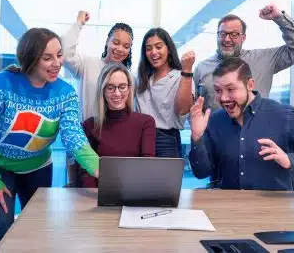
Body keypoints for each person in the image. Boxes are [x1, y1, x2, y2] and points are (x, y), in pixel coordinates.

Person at [0, 27, 100, 252]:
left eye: (59, 55)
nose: (57, 63)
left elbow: (72, 134)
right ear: (30, 58)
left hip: (37, 166)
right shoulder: (2, 84)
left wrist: (100, 168)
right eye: (47, 58)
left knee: (38, 227)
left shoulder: (65, 92)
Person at [189, 58, 294, 190]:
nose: (223, 98)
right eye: (218, 90)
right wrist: (197, 137)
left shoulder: (283, 115)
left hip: (274, 212)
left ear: (250, 85)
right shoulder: (216, 120)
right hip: (229, 210)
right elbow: (201, 172)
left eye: (230, 89)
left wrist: (290, 159)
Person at [194, 3, 294, 112]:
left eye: (234, 34)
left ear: (243, 38)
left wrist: (279, 18)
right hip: (216, 134)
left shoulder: (264, 59)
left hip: (257, 133)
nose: (227, 39)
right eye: (222, 34)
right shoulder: (201, 69)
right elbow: (193, 108)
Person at [79, 62, 156, 187]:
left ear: (129, 88)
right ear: (102, 90)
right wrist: (95, 198)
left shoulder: (146, 123)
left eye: (122, 87)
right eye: (110, 88)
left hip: (135, 191)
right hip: (101, 193)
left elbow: (147, 166)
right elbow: (86, 172)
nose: (117, 93)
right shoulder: (90, 125)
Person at [63, 10, 134, 120]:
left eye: (126, 46)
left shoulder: (130, 77)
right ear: (107, 41)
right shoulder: (87, 64)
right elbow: (65, 53)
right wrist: (79, 23)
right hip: (87, 131)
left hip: (115, 133)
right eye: (115, 43)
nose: (120, 49)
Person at [135, 27, 195, 158]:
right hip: (140, 138)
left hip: (166, 140)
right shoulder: (141, 77)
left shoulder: (181, 76)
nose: (153, 52)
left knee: (167, 179)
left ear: (168, 49)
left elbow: (183, 110)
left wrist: (187, 70)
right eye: (149, 48)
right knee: (140, 178)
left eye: (158, 47)